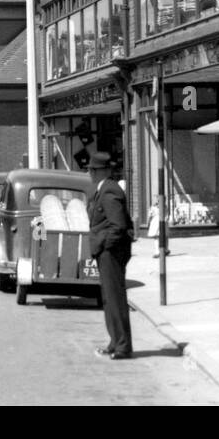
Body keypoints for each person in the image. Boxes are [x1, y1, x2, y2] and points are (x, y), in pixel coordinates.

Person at [87, 151, 133, 360]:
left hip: (111, 253)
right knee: (109, 299)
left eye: (93, 170)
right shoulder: (102, 190)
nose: (90, 173)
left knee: (115, 298)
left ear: (103, 170)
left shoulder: (109, 191)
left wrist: (105, 246)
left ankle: (123, 346)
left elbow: (119, 226)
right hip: (105, 251)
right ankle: (115, 342)